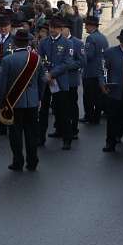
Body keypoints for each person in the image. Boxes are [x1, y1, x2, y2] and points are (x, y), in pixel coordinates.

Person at [0, 29, 43, 171]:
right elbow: (42, 82)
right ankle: (32, 161)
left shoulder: (7, 60)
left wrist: (0, 102)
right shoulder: (36, 58)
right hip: (33, 102)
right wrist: (39, 98)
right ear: (28, 42)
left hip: (14, 102)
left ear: (14, 43)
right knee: (31, 133)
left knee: (15, 133)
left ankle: (18, 161)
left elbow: (2, 84)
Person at [38, 18, 76, 149]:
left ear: (61, 29)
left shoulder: (67, 43)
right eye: (51, 27)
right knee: (43, 111)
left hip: (60, 81)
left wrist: (52, 74)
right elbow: (40, 59)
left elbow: (67, 63)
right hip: (46, 81)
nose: (52, 30)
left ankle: (67, 139)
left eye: (55, 28)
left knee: (63, 111)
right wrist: (45, 73)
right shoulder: (43, 42)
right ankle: (40, 137)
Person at [81, 16, 108, 125]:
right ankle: (96, 116)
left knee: (88, 97)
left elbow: (89, 55)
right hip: (100, 71)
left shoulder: (91, 38)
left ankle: (89, 116)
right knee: (98, 96)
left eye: (86, 25)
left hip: (90, 71)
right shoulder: (103, 37)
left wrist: (81, 55)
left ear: (91, 26)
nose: (85, 27)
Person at [62, 23, 85, 142]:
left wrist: (68, 66)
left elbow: (82, 62)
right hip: (59, 81)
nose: (60, 31)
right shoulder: (58, 42)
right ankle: (60, 128)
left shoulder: (77, 43)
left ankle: (74, 129)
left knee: (72, 106)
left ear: (68, 29)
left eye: (62, 28)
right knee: (60, 107)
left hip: (71, 80)